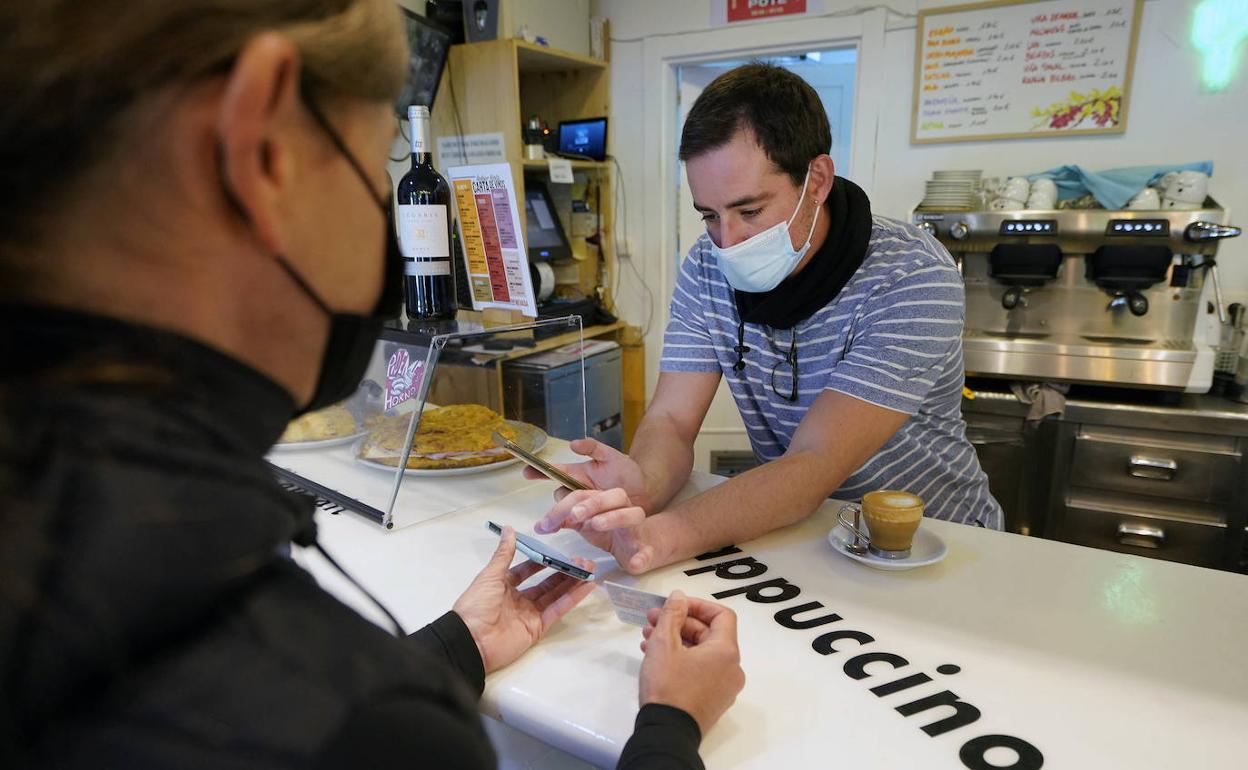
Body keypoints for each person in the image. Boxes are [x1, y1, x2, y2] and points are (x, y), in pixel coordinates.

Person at [0, 2, 743, 768]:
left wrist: (456, 645)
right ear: (262, 151)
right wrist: (670, 721)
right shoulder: (362, 724)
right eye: (377, 164)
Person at [529, 62, 1002, 574]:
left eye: (750, 211)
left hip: (936, 542)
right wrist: (643, 484)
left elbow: (813, 464)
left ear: (816, 180)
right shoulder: (706, 265)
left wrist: (656, 538)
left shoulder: (910, 274)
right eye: (709, 215)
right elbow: (671, 420)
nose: (728, 241)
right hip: (808, 536)